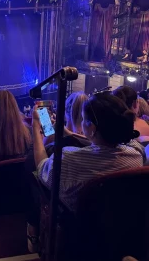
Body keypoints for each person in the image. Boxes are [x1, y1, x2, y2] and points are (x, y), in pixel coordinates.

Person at [26, 92, 145, 252]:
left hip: (79, 233)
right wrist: (67, 133)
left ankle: (33, 233)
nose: (81, 123)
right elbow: (104, 140)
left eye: (83, 119)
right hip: (121, 232)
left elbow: (42, 166)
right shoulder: (137, 153)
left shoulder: (69, 159)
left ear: (93, 128)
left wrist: (36, 126)